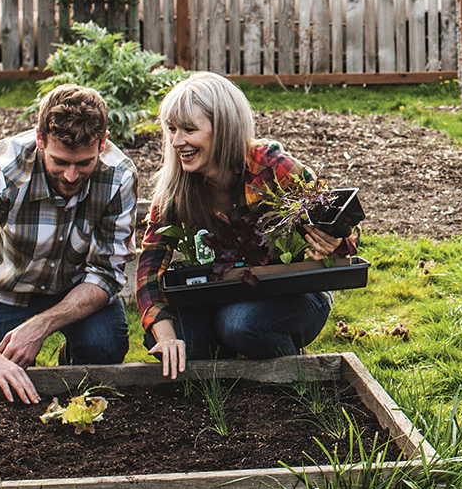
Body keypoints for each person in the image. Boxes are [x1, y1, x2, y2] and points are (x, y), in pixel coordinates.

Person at [0, 84, 138, 403]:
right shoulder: (2, 168)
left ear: (102, 144)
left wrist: (40, 326)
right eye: (60, 162)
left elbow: (106, 274)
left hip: (75, 287)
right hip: (4, 288)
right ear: (40, 140)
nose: (70, 176)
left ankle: (71, 363)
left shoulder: (119, 176)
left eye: (83, 163)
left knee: (105, 345)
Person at [136, 72, 358, 380]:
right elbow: (149, 269)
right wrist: (165, 335)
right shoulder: (177, 187)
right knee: (178, 341)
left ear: (224, 128)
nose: (176, 141)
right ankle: (237, 370)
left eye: (189, 129)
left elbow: (345, 236)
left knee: (240, 326)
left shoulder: (270, 166)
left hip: (291, 293)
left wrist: (333, 242)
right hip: (220, 294)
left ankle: (302, 374)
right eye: (171, 129)